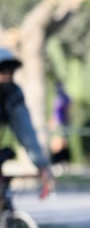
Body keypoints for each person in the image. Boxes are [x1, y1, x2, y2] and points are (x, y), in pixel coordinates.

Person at [0, 47, 54, 198]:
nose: (7, 75)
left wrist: (42, 166)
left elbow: (26, 132)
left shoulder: (13, 94)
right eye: (2, 69)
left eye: (10, 70)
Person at [49, 80, 72, 165]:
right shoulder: (57, 98)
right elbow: (54, 113)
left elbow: (68, 112)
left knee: (62, 143)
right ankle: (58, 161)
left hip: (62, 123)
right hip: (58, 123)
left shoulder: (65, 98)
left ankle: (62, 161)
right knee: (57, 143)